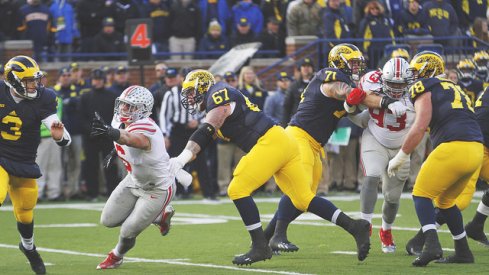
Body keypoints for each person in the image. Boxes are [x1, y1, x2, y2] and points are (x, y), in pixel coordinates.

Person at [170, 67, 373, 266]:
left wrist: (181, 158)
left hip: (270, 141)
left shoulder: (218, 93)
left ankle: (260, 246)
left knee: (237, 189)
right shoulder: (215, 102)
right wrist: (183, 161)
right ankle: (355, 226)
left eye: (191, 92)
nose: (188, 98)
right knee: (302, 199)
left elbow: (208, 128)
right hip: (284, 141)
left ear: (203, 87)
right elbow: (203, 139)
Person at [265, 43, 409, 254]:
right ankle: (278, 236)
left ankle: (265, 238)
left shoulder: (343, 80)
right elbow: (347, 93)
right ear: (339, 61)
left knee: (303, 196)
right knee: (301, 192)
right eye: (352, 63)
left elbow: (355, 103)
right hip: (299, 138)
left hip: (313, 144)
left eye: (358, 63)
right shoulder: (331, 76)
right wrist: (385, 101)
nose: (356, 67)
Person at [387, 51, 483, 266]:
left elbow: (420, 125)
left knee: (421, 194)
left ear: (428, 69)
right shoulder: (453, 86)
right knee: (446, 202)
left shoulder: (426, 87)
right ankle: (463, 252)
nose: (413, 76)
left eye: (416, 71)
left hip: (453, 147)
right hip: (475, 149)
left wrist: (401, 156)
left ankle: (431, 245)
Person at [90, 85, 190, 269]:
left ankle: (116, 255)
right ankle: (160, 216)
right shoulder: (117, 121)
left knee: (128, 231)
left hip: (157, 188)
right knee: (108, 220)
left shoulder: (147, 127)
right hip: (133, 180)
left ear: (143, 109)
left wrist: (113, 135)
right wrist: (115, 149)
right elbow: (124, 139)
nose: (124, 109)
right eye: (123, 104)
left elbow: (134, 140)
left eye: (131, 106)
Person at [0, 55, 72, 274]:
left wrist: (58, 135)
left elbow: (64, 137)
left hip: (24, 160)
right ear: (12, 80)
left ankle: (29, 248)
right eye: (28, 81)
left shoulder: (45, 97)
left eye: (35, 79)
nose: (34, 85)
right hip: (1, 155)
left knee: (25, 210)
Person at [349, 58, 415, 253]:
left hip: (401, 148)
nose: (395, 88)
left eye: (400, 84)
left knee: (392, 198)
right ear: (383, 80)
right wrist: (349, 106)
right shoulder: (371, 82)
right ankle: (365, 225)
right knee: (371, 176)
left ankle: (386, 230)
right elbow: (359, 105)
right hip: (375, 138)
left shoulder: (415, 96)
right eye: (392, 84)